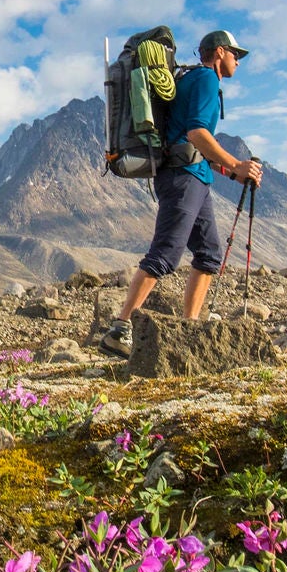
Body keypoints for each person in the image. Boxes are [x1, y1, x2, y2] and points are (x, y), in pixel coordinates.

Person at [99, 30, 266, 356]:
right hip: (183, 178)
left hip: (194, 176)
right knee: (166, 253)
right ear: (219, 52)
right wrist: (237, 165)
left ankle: (189, 327)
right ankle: (119, 329)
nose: (238, 61)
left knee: (208, 254)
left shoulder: (191, 79)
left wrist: (230, 171)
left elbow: (187, 140)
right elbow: (197, 132)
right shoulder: (205, 79)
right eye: (236, 54)